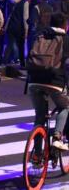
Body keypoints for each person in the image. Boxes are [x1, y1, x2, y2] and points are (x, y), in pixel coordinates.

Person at [28, 13, 69, 150]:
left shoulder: (40, 36)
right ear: (64, 25)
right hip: (54, 80)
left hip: (33, 80)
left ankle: (37, 155)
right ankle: (57, 137)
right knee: (65, 107)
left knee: (39, 117)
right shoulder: (65, 39)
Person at [4, 0, 29, 66]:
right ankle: (22, 63)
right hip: (20, 27)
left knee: (9, 44)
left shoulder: (10, 0)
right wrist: (26, 30)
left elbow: (7, 15)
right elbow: (25, 18)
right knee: (21, 45)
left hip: (10, 26)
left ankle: (5, 61)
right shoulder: (24, 2)